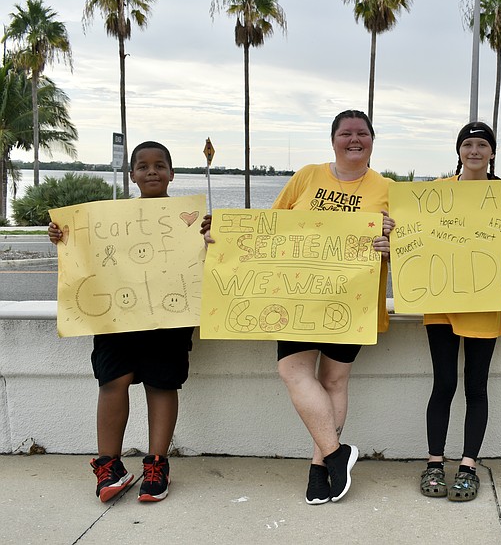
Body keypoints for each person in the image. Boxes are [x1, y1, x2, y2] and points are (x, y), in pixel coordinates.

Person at [202, 110, 393, 505]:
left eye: (362, 133)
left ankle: (320, 467)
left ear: (372, 140)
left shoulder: (387, 188)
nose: (354, 139)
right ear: (333, 140)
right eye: (346, 133)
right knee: (292, 371)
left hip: (350, 298)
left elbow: (406, 247)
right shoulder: (307, 176)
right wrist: (223, 233)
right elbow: (270, 226)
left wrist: (391, 242)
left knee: (335, 381)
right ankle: (337, 453)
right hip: (297, 294)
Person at [48, 141, 195, 503]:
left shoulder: (188, 218)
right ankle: (109, 466)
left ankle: (157, 465)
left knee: (162, 384)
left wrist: (210, 233)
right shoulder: (109, 219)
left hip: (168, 317)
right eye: (142, 166)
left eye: (160, 165)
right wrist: (62, 235)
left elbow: (210, 255)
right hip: (117, 317)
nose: (151, 172)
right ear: (132, 176)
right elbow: (86, 251)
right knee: (113, 381)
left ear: (172, 173)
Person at [418, 121, 501, 502]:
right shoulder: (436, 192)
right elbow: (413, 230)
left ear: (492, 153)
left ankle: (468, 466)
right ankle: (434, 463)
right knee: (444, 383)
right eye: (468, 144)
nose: (474, 151)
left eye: (481, 145)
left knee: (476, 385)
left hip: (486, 301)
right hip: (441, 299)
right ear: (458, 151)